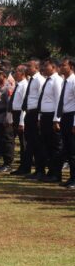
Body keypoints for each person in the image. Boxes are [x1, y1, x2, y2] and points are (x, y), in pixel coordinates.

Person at [55, 58, 75, 188]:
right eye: (60, 65)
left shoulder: (73, 81)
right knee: (67, 149)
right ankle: (71, 178)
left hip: (72, 117)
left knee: (73, 151)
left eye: (64, 65)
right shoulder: (64, 82)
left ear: (71, 67)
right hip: (65, 117)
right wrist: (58, 119)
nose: (61, 67)